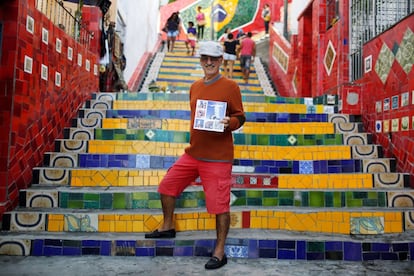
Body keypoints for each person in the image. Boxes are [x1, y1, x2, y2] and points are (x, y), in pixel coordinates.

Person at [145, 40, 246, 271]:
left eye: (213, 58)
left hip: (218, 158)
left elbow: (241, 117)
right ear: (200, 60)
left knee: (220, 206)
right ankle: (168, 226)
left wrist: (229, 122)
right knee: (166, 187)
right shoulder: (195, 86)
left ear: (221, 61)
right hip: (193, 154)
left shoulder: (230, 86)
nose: (208, 62)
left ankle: (219, 252)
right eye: (204, 58)